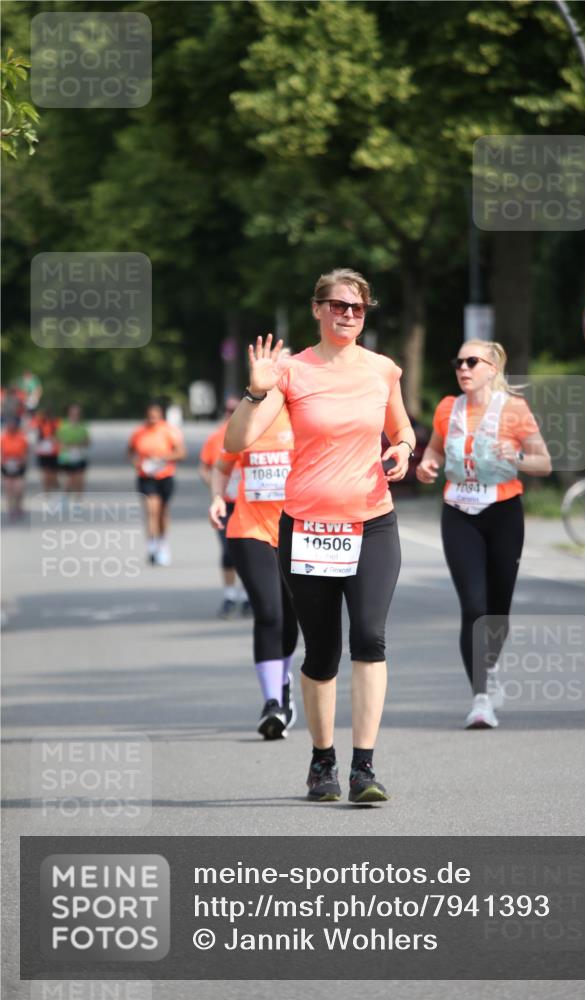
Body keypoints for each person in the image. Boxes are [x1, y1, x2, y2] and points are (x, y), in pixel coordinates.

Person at [224, 268, 415, 803]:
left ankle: (364, 769)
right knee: (322, 652)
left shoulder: (383, 370)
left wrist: (401, 449)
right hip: (307, 528)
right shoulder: (291, 372)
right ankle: (322, 761)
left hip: (373, 521)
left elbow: (401, 429)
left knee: (371, 638)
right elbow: (237, 442)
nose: (346, 315)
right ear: (317, 309)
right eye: (336, 305)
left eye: (356, 307)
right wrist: (253, 392)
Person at [417, 340, 551, 729]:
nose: (463, 368)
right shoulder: (447, 408)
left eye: (472, 361)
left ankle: (489, 668)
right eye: (458, 361)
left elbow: (544, 462)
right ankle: (480, 698)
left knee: (497, 612)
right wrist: (428, 464)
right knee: (474, 607)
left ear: (492, 368)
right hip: (459, 512)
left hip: (504, 513)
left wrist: (518, 458)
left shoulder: (514, 409)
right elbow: (436, 453)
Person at [209, 401, 299, 739]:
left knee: (291, 619)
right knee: (269, 613)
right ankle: (272, 701)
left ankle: (283, 681)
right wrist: (218, 497)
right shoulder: (244, 421)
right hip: (249, 529)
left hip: (297, 532)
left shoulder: (304, 416)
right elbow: (222, 466)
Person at [198, 396, 249, 617]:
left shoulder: (254, 432)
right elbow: (205, 468)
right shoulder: (216, 438)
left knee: (250, 552)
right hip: (226, 504)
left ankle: (248, 596)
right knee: (228, 550)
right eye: (228, 411)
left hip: (249, 504)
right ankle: (230, 595)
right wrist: (216, 488)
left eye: (235, 410)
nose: (231, 414)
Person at [128, 402, 186, 566]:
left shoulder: (169, 431)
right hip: (146, 477)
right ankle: (152, 546)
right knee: (152, 510)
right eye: (150, 415)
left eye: (156, 415)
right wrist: (137, 462)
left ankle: (162, 543)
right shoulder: (138, 433)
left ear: (161, 415)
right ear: (146, 415)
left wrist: (162, 459)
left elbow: (181, 453)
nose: (153, 419)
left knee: (163, 512)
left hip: (165, 476)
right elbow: (130, 451)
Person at [56, 404, 90, 501]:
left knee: (80, 478)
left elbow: (87, 441)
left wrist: (81, 444)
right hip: (66, 456)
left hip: (80, 454)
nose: (75, 416)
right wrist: (66, 445)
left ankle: (78, 498)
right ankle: (65, 495)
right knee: (71, 478)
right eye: (73, 413)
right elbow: (57, 440)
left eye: (77, 414)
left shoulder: (83, 426)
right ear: (69, 414)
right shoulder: (63, 426)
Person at [1, 417, 29, 519]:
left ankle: (18, 506)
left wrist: (22, 461)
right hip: (6, 465)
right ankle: (10, 508)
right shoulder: (3, 438)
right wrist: (3, 461)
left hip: (19, 465)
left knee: (18, 488)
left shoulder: (22, 438)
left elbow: (26, 452)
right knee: (8, 488)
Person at [33, 408, 60, 493]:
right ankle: (46, 490)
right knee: (45, 471)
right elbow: (34, 431)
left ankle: (53, 485)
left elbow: (60, 434)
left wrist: (54, 439)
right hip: (43, 451)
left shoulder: (56, 422)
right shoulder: (39, 423)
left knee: (53, 471)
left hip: (53, 450)